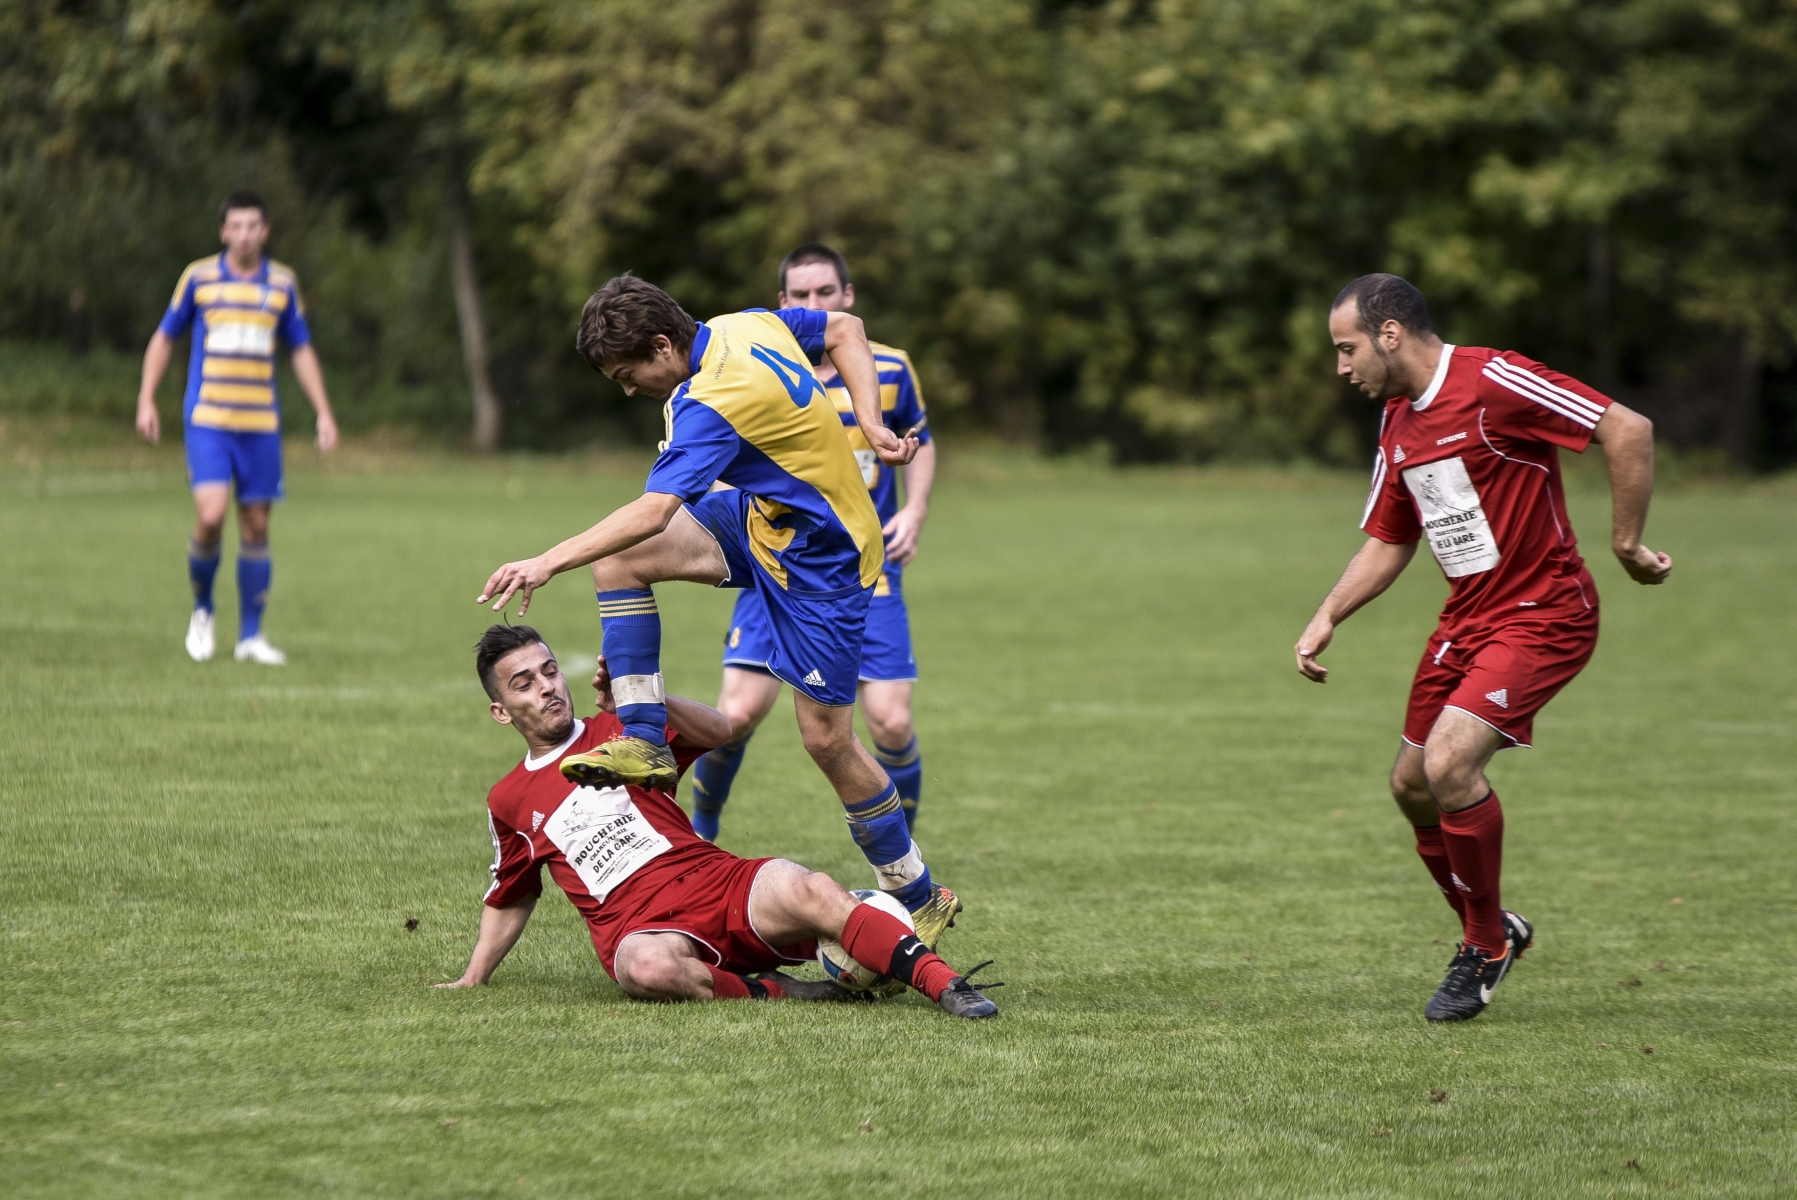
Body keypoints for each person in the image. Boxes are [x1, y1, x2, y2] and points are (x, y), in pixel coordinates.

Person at [476, 275, 960, 944]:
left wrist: (547, 559)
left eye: (628, 372)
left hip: (824, 562)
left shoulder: (708, 403)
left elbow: (653, 510)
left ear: (664, 345)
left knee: (826, 740)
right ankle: (645, 740)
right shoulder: (743, 324)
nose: (626, 388)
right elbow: (847, 330)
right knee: (620, 562)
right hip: (768, 520)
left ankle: (918, 893)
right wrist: (869, 422)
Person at [1293, 273, 1671, 1022]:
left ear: (1389, 333)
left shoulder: (1493, 378)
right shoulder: (1398, 421)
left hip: (1545, 613)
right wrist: (1326, 615)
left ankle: (1483, 946)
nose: (1341, 368)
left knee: (1447, 762)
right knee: (1409, 787)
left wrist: (1625, 543)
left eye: (1346, 349)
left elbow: (1625, 428)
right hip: (1466, 620)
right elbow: (1389, 538)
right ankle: (1493, 930)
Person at [437, 623, 998, 1019]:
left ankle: (946, 985)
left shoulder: (620, 732)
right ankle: (779, 993)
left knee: (808, 887)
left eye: (550, 671)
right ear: (500, 712)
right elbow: (511, 894)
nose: (547, 687)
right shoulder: (508, 798)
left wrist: (643, 702)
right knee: (648, 970)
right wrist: (474, 977)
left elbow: (718, 732)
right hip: (637, 928)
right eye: (525, 683)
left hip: (715, 881)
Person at [690, 244, 935, 842]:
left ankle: (902, 842)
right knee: (739, 714)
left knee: (891, 721)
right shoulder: (753, 367)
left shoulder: (891, 368)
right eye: (801, 295)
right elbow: (724, 456)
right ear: (783, 304)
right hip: (776, 560)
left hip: (861, 571)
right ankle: (702, 833)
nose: (813, 303)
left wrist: (915, 509)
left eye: (825, 293)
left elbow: (920, 441)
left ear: (846, 297)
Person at [135, 191, 338, 665]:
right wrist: (146, 398)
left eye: (254, 226)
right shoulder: (199, 278)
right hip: (208, 420)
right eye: (236, 226)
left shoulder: (283, 284)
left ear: (265, 231)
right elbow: (165, 337)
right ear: (223, 231)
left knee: (257, 524)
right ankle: (203, 610)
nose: (245, 234)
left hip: (260, 425)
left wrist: (323, 411)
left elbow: (301, 349)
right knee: (210, 515)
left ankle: (250, 637)